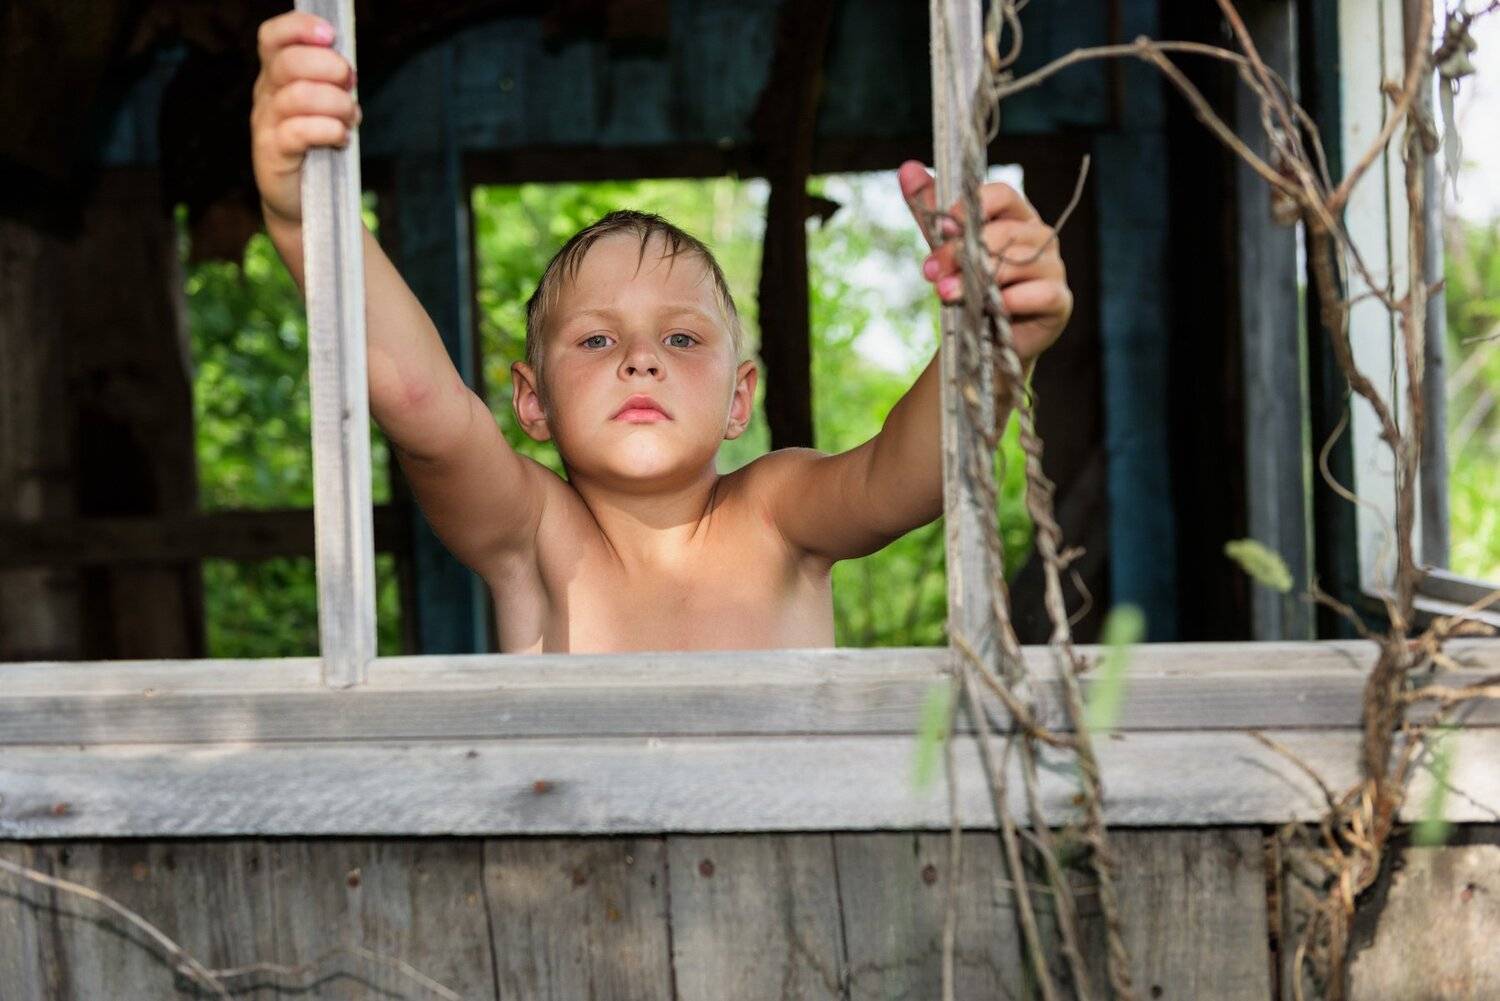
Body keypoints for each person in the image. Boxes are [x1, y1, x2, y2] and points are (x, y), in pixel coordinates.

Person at [251, 11, 1073, 652]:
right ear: (532, 401)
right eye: (596, 340)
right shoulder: (532, 531)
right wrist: (302, 216)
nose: (641, 359)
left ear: (739, 399)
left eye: (681, 340)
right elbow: (419, 400)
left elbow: (907, 479)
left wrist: (993, 346)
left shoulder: (775, 511)